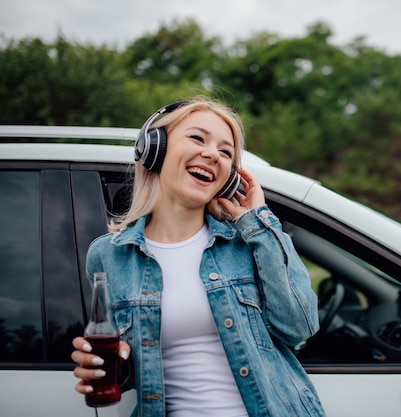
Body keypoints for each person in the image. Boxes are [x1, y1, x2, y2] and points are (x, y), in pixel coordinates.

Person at [71, 96, 326, 417]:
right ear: (154, 148)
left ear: (231, 176)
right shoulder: (108, 255)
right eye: (197, 138)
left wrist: (258, 221)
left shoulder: (247, 243)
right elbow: (136, 366)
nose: (212, 154)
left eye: (226, 151)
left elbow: (298, 327)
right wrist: (112, 369)